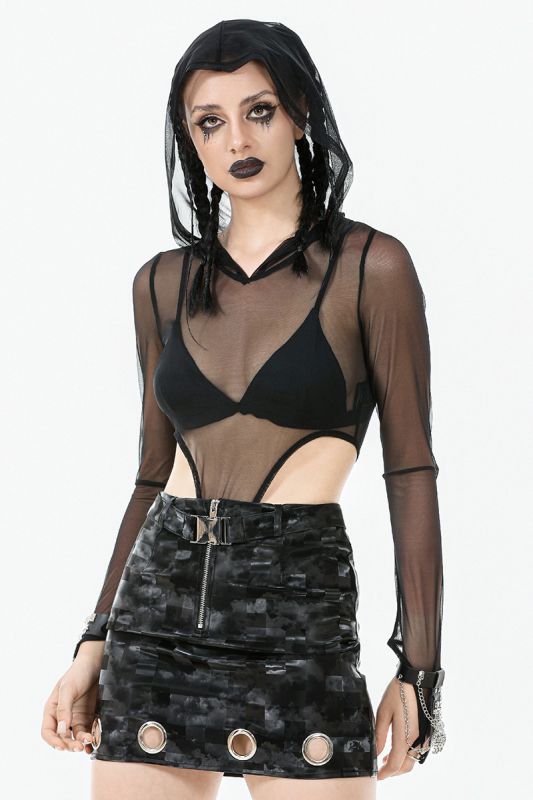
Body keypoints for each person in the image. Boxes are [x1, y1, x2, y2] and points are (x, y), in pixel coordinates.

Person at [41, 18, 446, 800]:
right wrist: (93, 642)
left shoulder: (371, 267)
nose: (237, 140)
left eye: (258, 110)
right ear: (189, 140)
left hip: (299, 620)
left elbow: (410, 469)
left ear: (299, 111)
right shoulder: (161, 283)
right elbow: (151, 476)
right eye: (209, 122)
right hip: (155, 619)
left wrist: (419, 669)